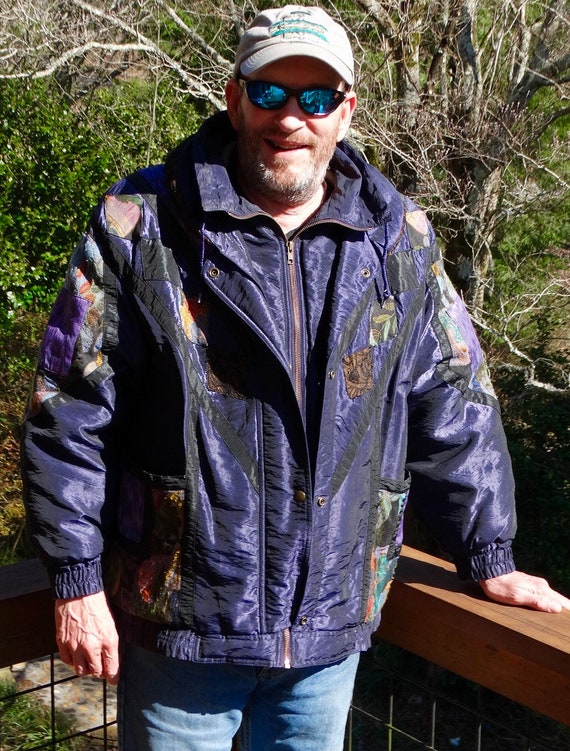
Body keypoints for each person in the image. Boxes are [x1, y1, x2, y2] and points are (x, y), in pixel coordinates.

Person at [22, 5, 569, 751]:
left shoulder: (398, 241)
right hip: (182, 627)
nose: (290, 117)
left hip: (327, 635)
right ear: (234, 98)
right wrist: (76, 578)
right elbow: (70, 407)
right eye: (269, 92)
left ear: (345, 110)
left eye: (315, 97)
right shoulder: (141, 224)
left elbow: (453, 398)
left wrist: (488, 554)